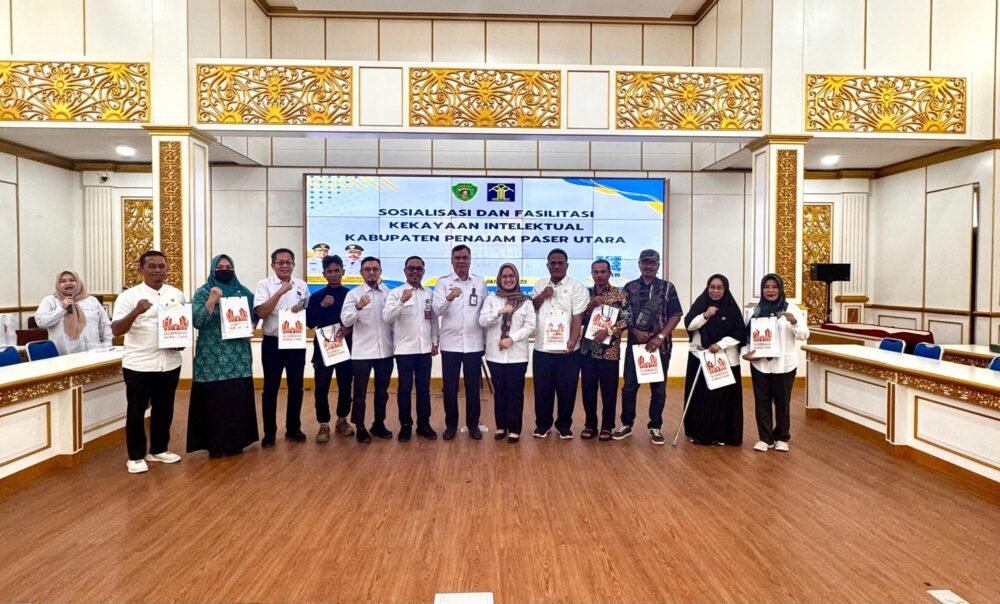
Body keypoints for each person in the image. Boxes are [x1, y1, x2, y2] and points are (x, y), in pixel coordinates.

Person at [111, 250, 186, 474]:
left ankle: (159, 449)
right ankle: (135, 456)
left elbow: (181, 323)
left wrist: (180, 341)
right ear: (141, 269)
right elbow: (116, 330)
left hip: (170, 362)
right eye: (152, 266)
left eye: (162, 266)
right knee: (137, 410)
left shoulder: (176, 294)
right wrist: (136, 311)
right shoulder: (128, 297)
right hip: (139, 363)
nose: (158, 270)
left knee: (164, 408)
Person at [186, 254, 260, 457]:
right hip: (211, 359)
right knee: (214, 401)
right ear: (213, 270)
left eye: (228, 266)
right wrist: (212, 300)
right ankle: (215, 445)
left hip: (238, 358)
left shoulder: (243, 292)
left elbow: (255, 316)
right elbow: (197, 321)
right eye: (220, 267)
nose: (225, 269)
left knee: (236, 399)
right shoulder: (203, 292)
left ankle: (237, 442)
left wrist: (252, 327)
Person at [615, 249, 683, 445]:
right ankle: (626, 424)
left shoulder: (668, 288)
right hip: (635, 347)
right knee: (629, 387)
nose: (648, 266)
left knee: (658, 390)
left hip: (660, 348)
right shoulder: (629, 287)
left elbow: (676, 315)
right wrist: (635, 331)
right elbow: (623, 316)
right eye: (645, 262)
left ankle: (655, 426)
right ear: (639, 264)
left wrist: (660, 337)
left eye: (652, 263)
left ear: (658, 265)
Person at [742, 273, 809, 453]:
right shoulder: (753, 312)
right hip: (760, 364)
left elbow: (804, 335)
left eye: (774, 287)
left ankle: (781, 437)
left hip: (784, 365)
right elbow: (745, 338)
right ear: (762, 290)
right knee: (762, 402)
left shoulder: (791, 309)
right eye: (766, 287)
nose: (770, 290)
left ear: (780, 289)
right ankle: (765, 438)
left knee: (782, 402)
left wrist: (794, 321)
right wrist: (746, 354)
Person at [253, 248, 309, 447]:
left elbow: (306, 309)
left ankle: (293, 428)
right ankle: (269, 433)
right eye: (280, 262)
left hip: (295, 342)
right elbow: (261, 313)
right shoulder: (264, 285)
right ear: (273, 265)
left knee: (296, 387)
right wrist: (280, 292)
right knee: (270, 388)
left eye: (288, 262)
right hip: (273, 343)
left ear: (293, 264)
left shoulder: (302, 285)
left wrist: (301, 308)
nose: (285, 265)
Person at [531, 248, 589, 439]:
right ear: (547, 265)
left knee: (567, 390)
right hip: (542, 348)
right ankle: (543, 425)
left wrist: (573, 339)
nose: (556, 266)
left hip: (568, 350)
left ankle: (564, 425)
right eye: (553, 263)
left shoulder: (577, 287)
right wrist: (543, 295)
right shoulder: (539, 284)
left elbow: (577, 317)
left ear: (567, 265)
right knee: (542, 390)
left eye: (560, 263)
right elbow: (532, 308)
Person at [683, 274, 746, 446]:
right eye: (712, 287)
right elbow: (689, 325)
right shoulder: (701, 304)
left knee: (723, 399)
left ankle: (723, 435)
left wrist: (720, 344)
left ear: (725, 289)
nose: (715, 291)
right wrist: (705, 315)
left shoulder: (731, 308)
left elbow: (739, 333)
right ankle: (701, 434)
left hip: (726, 360)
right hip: (701, 358)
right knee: (702, 398)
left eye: (719, 288)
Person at [432, 244, 487, 440]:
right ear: (452, 260)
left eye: (464, 258)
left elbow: (485, 312)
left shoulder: (479, 282)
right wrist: (449, 297)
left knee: (473, 388)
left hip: (474, 344)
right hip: (450, 345)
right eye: (457, 258)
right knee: (450, 388)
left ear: (470, 260)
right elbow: (436, 310)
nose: (461, 261)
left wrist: (485, 343)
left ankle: (473, 425)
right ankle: (451, 425)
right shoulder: (442, 283)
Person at [383, 256, 438, 441]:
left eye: (419, 269)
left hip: (425, 350)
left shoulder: (429, 293)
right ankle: (405, 425)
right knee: (404, 389)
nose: (415, 272)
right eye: (411, 268)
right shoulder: (395, 293)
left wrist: (435, 341)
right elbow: (387, 318)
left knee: (424, 389)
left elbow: (433, 320)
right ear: (405, 271)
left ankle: (424, 424)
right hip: (404, 351)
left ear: (424, 271)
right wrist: (401, 301)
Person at [479, 263, 535, 443]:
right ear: (499, 279)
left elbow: (530, 326)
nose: (508, 279)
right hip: (495, 356)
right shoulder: (491, 299)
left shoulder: (526, 301)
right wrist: (499, 312)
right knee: (500, 392)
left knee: (515, 393)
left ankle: (515, 429)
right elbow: (482, 321)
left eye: (511, 276)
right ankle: (501, 426)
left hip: (517, 356)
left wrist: (512, 338)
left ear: (517, 278)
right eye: (504, 276)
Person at [341, 256, 394, 443]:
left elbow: (393, 323)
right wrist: (358, 306)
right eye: (367, 269)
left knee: (382, 391)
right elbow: (346, 320)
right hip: (362, 352)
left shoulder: (388, 293)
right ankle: (360, 426)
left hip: (385, 351)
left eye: (375, 269)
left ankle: (379, 423)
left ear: (380, 271)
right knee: (360, 393)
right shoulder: (353, 294)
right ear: (361, 272)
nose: (372, 272)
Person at [579, 260, 631, 441]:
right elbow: (576, 318)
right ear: (592, 274)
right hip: (587, 351)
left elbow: (628, 319)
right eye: (596, 272)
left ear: (609, 273)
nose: (599, 275)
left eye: (603, 272)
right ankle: (590, 425)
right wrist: (589, 307)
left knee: (609, 392)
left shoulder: (620, 294)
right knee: (588, 391)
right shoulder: (585, 294)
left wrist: (609, 331)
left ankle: (607, 426)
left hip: (610, 352)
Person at [306, 254, 354, 443]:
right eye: (329, 271)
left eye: (336, 270)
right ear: (324, 274)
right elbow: (310, 323)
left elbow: (357, 320)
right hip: (323, 348)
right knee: (321, 387)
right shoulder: (316, 296)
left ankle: (342, 420)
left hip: (345, 347)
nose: (333, 274)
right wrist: (322, 306)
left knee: (345, 385)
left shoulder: (350, 295)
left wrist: (349, 328)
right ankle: (323, 424)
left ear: (343, 271)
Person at [35, 270, 112, 355]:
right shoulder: (50, 301)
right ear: (58, 284)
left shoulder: (91, 300)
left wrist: (108, 346)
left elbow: (105, 325)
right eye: (63, 281)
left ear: (78, 282)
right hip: (63, 354)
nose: (68, 283)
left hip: (93, 353)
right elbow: (41, 322)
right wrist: (62, 309)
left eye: (72, 280)